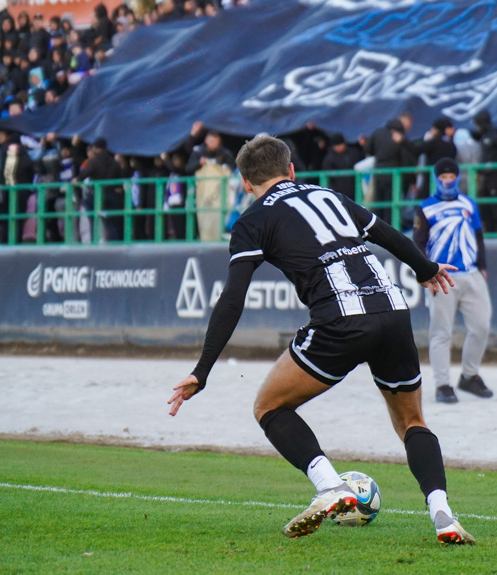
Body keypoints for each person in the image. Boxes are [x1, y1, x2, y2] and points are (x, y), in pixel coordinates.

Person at [167, 134, 475, 546]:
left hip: (340, 319)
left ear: (244, 183)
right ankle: (443, 515)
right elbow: (387, 235)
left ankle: (331, 486)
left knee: (269, 406)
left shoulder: (251, 221)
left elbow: (232, 299)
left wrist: (201, 371)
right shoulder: (329, 196)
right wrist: (425, 268)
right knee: (412, 422)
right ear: (291, 168)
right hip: (392, 310)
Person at [413, 158, 492, 404]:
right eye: (443, 177)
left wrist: (482, 266)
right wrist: (425, 272)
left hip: (470, 273)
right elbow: (418, 244)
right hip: (441, 276)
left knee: (481, 327)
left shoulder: (469, 203)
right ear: (436, 179)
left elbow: (478, 236)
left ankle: (469, 375)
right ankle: (442, 384)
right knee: (441, 333)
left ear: (458, 177)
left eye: (451, 176)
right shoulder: (425, 208)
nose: (448, 181)